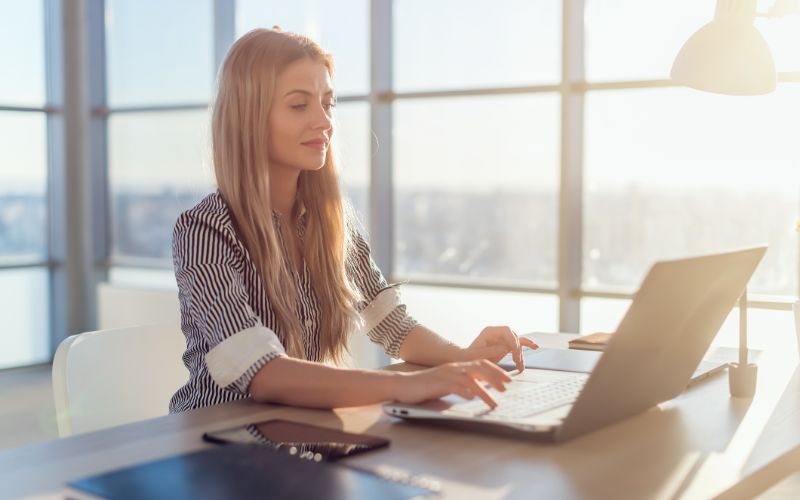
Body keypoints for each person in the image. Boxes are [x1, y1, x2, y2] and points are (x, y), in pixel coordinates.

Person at [169, 28, 538, 414]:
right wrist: (406, 385)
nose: (324, 122)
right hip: (218, 436)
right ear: (249, 118)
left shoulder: (329, 221)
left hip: (303, 430)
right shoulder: (204, 230)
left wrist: (463, 359)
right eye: (299, 105)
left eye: (327, 104)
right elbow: (263, 373)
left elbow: (391, 323)